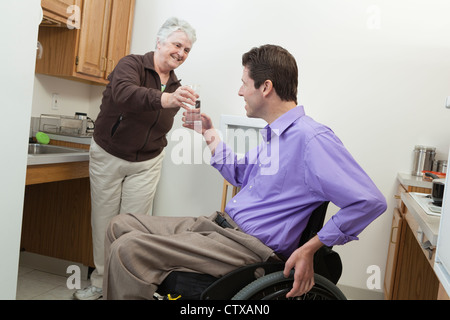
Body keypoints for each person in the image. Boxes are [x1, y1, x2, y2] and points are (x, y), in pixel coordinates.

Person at [102, 44, 387, 300]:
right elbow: (238, 173)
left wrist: (311, 247)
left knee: (128, 250)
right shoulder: (276, 135)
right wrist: (209, 133)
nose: (240, 91)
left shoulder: (312, 139)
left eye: (244, 84)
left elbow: (369, 201)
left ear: (265, 87)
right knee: (120, 225)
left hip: (247, 249)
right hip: (220, 226)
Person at [73, 17, 198, 300]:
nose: (181, 53)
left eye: (187, 50)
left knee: (135, 227)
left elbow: (160, 121)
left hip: (147, 162)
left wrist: (195, 122)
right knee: (105, 223)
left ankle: (127, 287)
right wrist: (165, 99)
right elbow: (125, 94)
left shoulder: (176, 85)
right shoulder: (130, 65)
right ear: (159, 41)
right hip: (109, 154)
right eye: (177, 44)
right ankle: (100, 282)